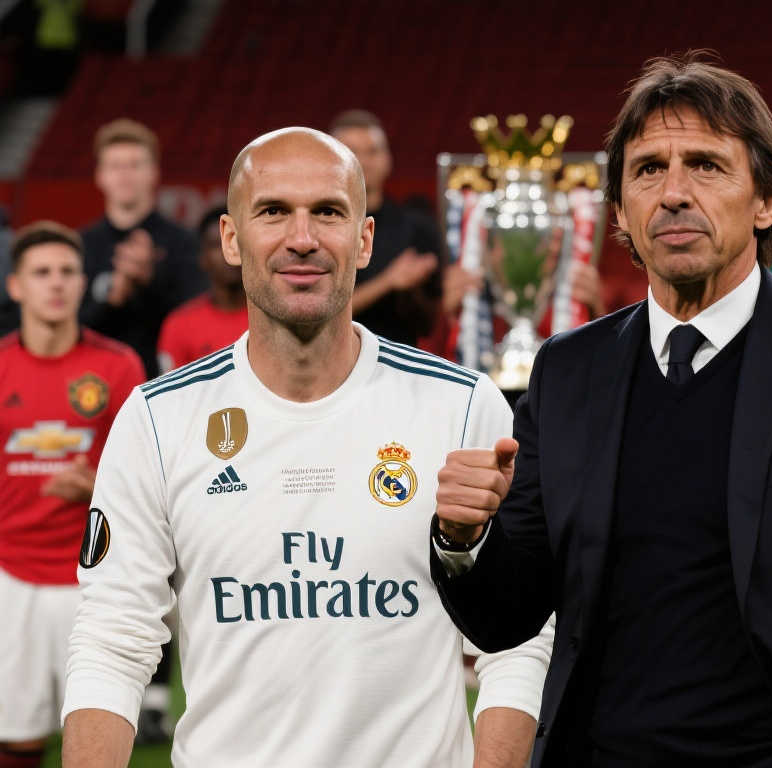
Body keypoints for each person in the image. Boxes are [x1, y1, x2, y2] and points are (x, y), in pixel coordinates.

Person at [430, 55, 772, 767]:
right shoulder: (568, 370)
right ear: (620, 210)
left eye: (707, 166)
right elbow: (508, 617)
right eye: (648, 170)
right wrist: (464, 540)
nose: (674, 193)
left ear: (766, 200)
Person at [61, 127, 551, 768]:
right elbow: (112, 638)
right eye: (272, 211)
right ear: (231, 239)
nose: (301, 238)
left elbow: (521, 637)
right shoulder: (158, 419)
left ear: (365, 239)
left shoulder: (460, 405)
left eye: (327, 212)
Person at [0, 221, 143, 768]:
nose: (56, 283)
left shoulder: (118, 366)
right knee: (16, 738)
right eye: (42, 273)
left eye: (67, 271)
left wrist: (97, 487)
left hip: (94, 580)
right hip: (11, 576)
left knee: (97, 740)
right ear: (16, 286)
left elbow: (142, 477)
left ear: (84, 282)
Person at [80, 118, 206, 378]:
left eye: (135, 165)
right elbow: (73, 328)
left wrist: (150, 280)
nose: (125, 174)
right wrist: (113, 299)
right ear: (100, 175)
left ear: (154, 173)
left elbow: (199, 319)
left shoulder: (184, 243)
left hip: (168, 382)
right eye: (115, 166)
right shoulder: (81, 245)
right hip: (94, 386)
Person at [330, 109, 441, 346]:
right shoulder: (314, 228)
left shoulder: (417, 228)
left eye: (373, 151)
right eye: (352, 151)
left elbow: (432, 321)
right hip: (332, 357)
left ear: (388, 159)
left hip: (400, 358)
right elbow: (319, 312)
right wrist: (388, 281)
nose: (364, 161)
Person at [157, 205, 248, 372]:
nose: (229, 251)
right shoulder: (179, 325)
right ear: (202, 257)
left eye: (236, 241)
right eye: (216, 244)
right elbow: (171, 387)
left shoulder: (273, 319)